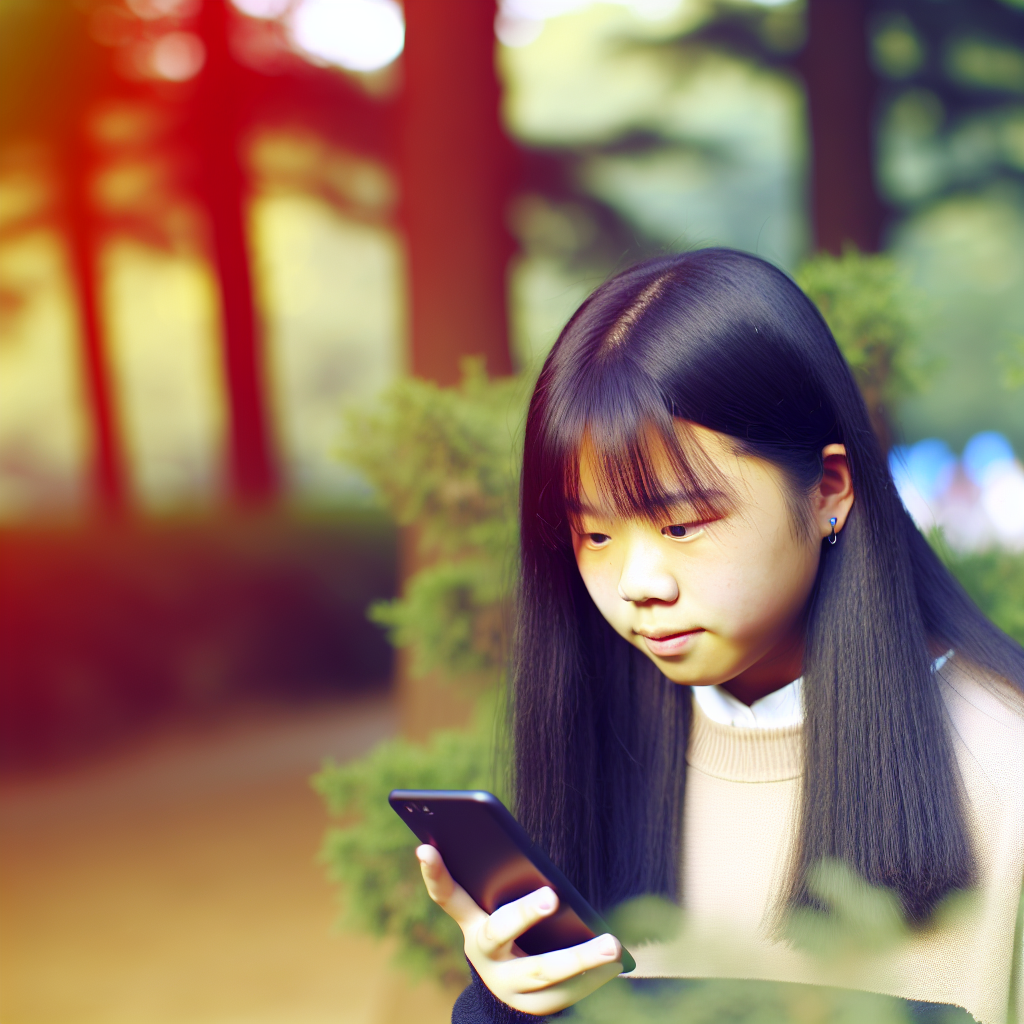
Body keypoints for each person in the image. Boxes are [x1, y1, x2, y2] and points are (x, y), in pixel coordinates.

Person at [414, 249, 1024, 1022]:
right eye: (595, 536)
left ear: (828, 492)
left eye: (681, 524)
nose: (640, 583)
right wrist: (505, 1004)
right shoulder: (599, 746)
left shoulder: (1006, 776)